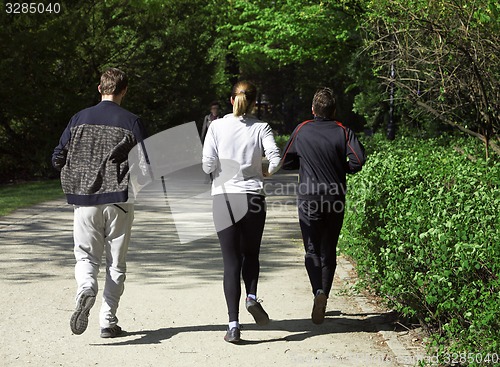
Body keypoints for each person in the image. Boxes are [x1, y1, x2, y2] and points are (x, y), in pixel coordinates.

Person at [52, 68, 147, 338]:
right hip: (119, 199)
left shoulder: (79, 118)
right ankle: (107, 322)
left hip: (84, 201)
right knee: (116, 263)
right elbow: (146, 162)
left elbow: (58, 156)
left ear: (99, 88)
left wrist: (72, 170)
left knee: (86, 256)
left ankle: (86, 288)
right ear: (124, 90)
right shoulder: (131, 121)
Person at [202, 81, 281, 343]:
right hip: (253, 198)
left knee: (230, 262)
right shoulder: (261, 127)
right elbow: (276, 156)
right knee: (251, 254)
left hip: (224, 197)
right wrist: (267, 172)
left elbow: (207, 165)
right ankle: (251, 297)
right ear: (254, 102)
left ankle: (233, 325)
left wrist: (216, 169)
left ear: (230, 99)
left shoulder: (216, 126)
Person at [281, 87, 366, 324]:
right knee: (329, 250)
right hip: (335, 198)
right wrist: (341, 168)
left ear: (313, 109)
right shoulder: (343, 131)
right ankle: (324, 298)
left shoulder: (302, 129)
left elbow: (286, 160)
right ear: (334, 110)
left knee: (311, 250)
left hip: (309, 198)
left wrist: (303, 162)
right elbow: (358, 160)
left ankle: (317, 291)